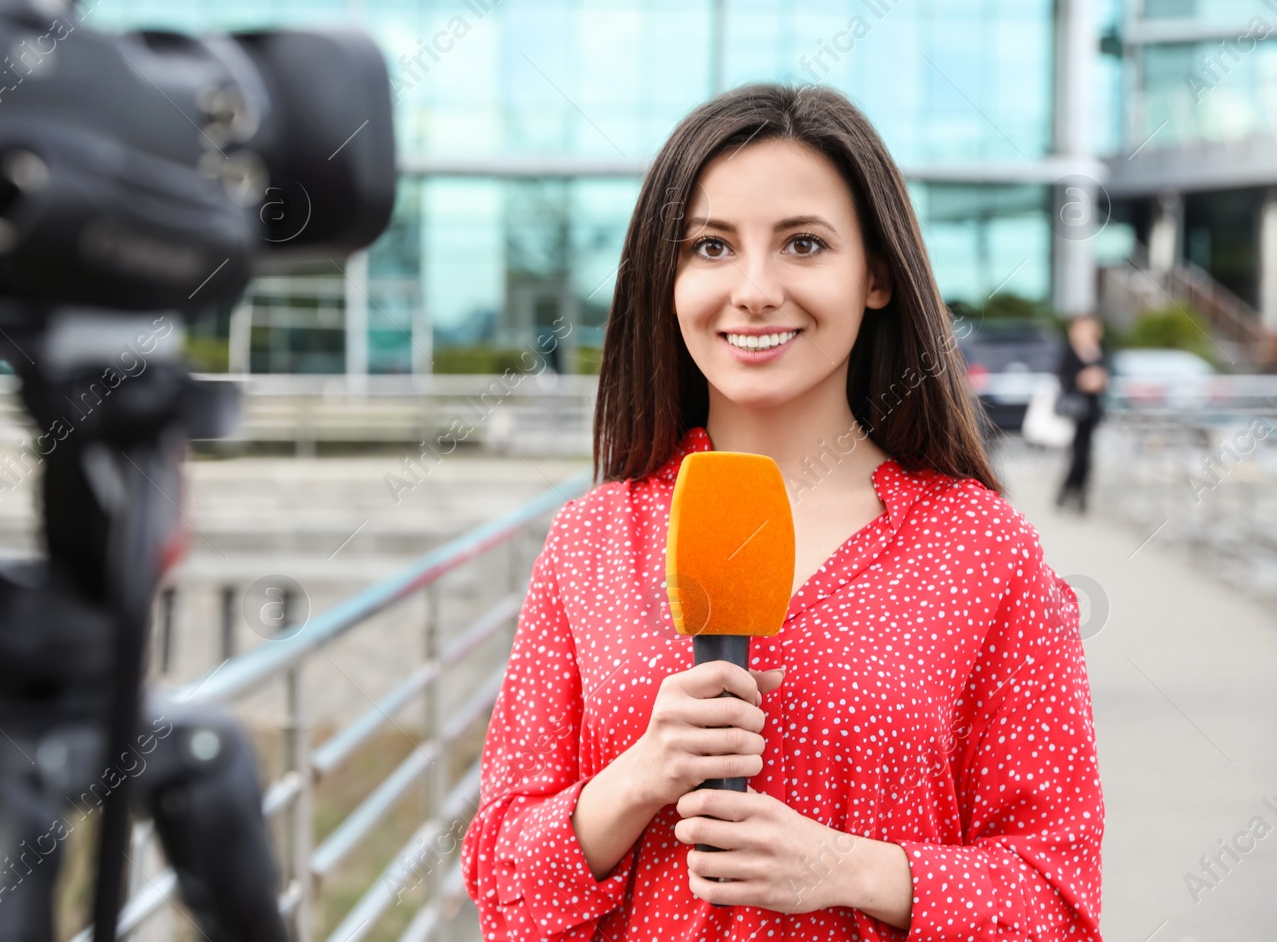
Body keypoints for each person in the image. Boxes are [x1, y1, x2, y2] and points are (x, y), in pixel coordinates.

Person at [460, 85, 1103, 940]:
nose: (755, 289)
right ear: (669, 275)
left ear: (874, 273)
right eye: (711, 246)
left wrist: (848, 869)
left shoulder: (986, 549)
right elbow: (500, 885)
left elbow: (1060, 900)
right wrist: (636, 779)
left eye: (803, 243)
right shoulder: (592, 540)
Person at [1054, 314, 1110, 515]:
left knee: (1087, 456)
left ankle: (1079, 496)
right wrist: (1083, 380)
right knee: (1078, 455)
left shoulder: (1098, 352)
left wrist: (1099, 380)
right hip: (1075, 411)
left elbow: (1106, 377)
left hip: (1092, 411)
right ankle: (1068, 492)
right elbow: (1064, 378)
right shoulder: (1070, 352)